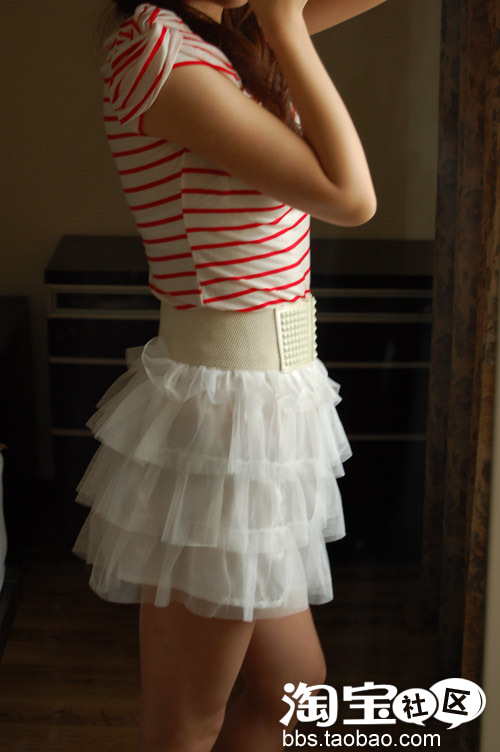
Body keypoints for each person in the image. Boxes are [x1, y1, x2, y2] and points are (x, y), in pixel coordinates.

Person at [72, 1, 382, 750]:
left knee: (293, 693)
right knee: (185, 723)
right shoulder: (156, 43)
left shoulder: (229, 35)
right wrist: (284, 23)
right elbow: (351, 198)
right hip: (224, 419)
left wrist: (277, 21)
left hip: (274, 404)